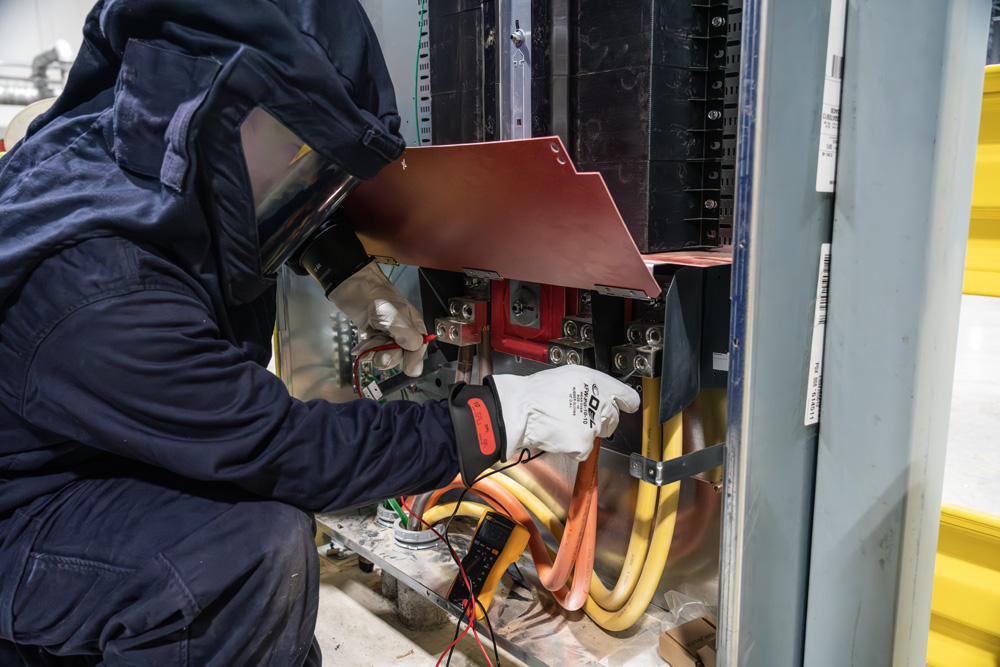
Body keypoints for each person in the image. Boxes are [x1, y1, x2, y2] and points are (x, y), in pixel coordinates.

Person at [0, 1, 640, 665]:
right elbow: (290, 454)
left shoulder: (132, 140)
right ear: (218, 104)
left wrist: (343, 270)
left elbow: (242, 191)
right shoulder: (101, 288)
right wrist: (501, 418)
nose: (309, 190)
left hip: (84, 458)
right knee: (245, 554)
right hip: (23, 519)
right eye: (303, 162)